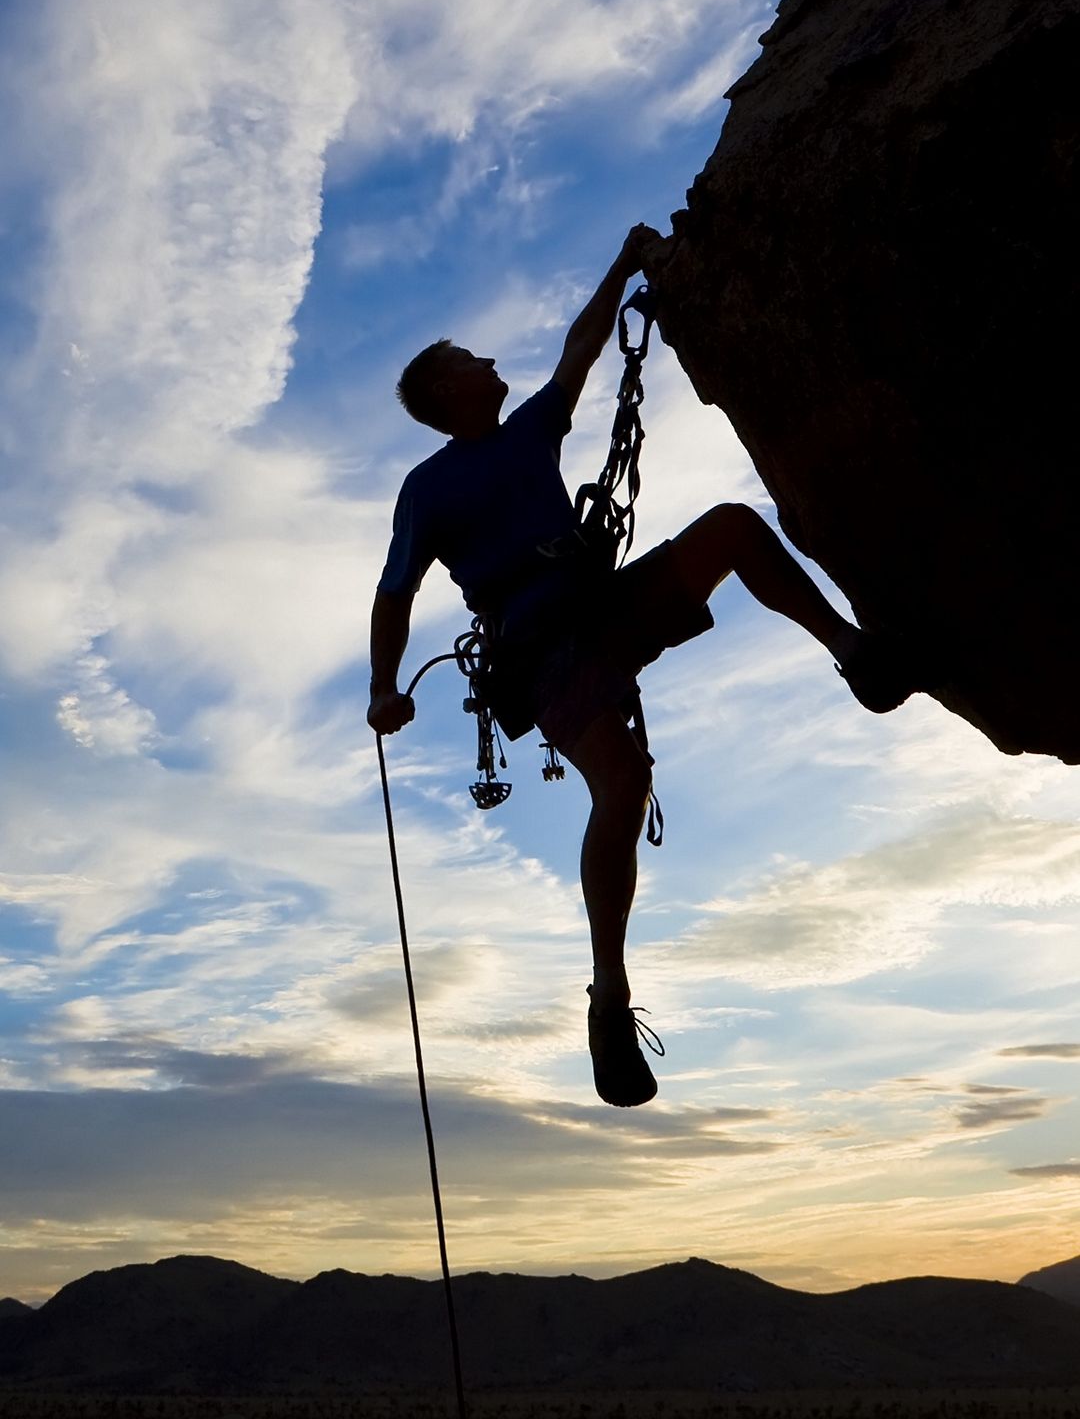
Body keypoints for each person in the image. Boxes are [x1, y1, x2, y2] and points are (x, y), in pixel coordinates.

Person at [368, 225, 913, 1108]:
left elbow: (582, 350)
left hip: (601, 605)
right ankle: (609, 996)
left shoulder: (530, 428)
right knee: (620, 779)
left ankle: (857, 655)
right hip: (543, 653)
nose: (490, 357)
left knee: (733, 527)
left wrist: (623, 265)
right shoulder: (429, 489)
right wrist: (382, 688)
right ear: (444, 389)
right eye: (470, 356)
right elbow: (394, 593)